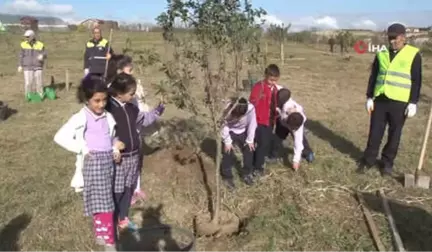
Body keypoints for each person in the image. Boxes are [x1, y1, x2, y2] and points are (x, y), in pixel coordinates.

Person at [53, 75, 122, 250]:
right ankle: (109, 241)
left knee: (105, 200)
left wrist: (115, 148)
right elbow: (60, 137)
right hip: (94, 164)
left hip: (109, 163)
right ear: (86, 99)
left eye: (104, 100)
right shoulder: (80, 117)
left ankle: (101, 232)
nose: (101, 104)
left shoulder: (107, 116)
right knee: (105, 203)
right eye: (96, 101)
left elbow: (111, 136)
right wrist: (83, 149)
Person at [358, 23, 422, 176]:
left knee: (394, 134)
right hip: (380, 99)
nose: (392, 41)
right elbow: (374, 76)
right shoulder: (381, 54)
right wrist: (369, 97)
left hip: (400, 102)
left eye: (395, 38)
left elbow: (416, 80)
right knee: (375, 132)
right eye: (389, 38)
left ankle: (387, 163)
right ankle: (368, 161)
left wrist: (413, 102)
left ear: (403, 37)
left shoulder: (413, 54)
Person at [106, 73, 164, 231]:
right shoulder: (109, 109)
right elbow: (102, 132)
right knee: (117, 189)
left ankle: (123, 218)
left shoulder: (132, 107)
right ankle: (111, 217)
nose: (134, 96)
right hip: (119, 158)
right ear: (119, 93)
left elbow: (144, 120)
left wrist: (158, 110)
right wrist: (112, 145)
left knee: (129, 187)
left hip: (133, 154)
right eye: (131, 93)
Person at [249, 64, 282, 177]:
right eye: (271, 79)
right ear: (265, 75)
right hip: (259, 121)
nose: (273, 82)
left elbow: (276, 104)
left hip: (270, 121)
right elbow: (252, 103)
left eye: (275, 80)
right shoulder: (259, 87)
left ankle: (258, 162)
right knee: (261, 144)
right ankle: (257, 167)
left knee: (265, 144)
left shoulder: (276, 89)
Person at [273, 88, 314, 170]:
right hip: (283, 122)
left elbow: (297, 143)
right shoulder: (283, 101)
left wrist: (296, 161)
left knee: (300, 139)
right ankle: (273, 152)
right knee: (278, 136)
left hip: (287, 121)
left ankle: (308, 152)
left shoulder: (298, 122)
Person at [221, 97, 257, 190]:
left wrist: (250, 140)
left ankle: (246, 173)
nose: (239, 118)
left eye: (241, 115)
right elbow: (223, 125)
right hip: (230, 131)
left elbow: (252, 124)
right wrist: (227, 142)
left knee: (249, 150)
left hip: (243, 131)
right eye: (237, 115)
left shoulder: (251, 108)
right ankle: (227, 177)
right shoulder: (226, 108)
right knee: (227, 152)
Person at [18, 29, 47, 99]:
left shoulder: (40, 44)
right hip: (27, 66)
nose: (26, 38)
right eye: (25, 37)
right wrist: (20, 65)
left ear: (32, 36)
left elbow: (45, 53)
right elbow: (21, 55)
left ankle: (40, 95)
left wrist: (42, 56)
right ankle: (28, 96)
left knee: (39, 82)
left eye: (28, 37)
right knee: (28, 83)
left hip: (38, 66)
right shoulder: (23, 44)